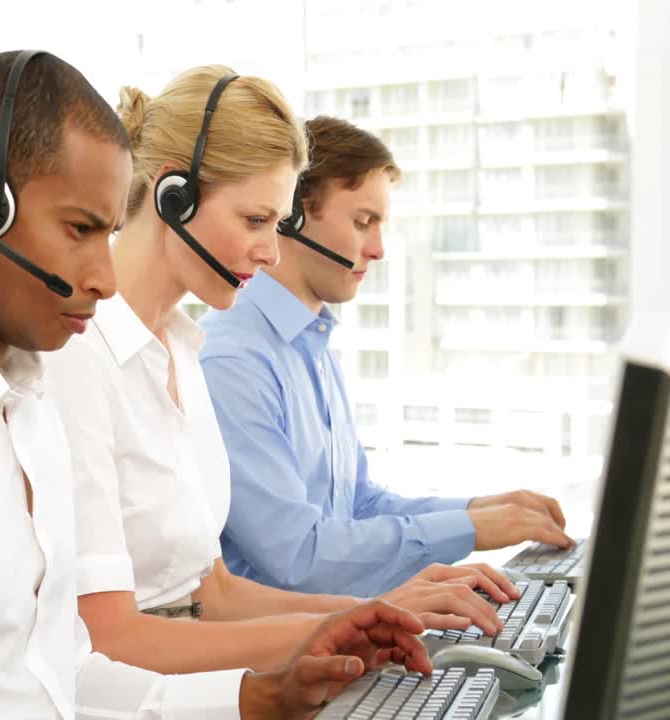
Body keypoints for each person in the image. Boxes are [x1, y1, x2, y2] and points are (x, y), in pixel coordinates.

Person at [0, 51, 430, 719]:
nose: (103, 279)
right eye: (79, 230)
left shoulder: (25, 400)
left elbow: (60, 676)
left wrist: (261, 701)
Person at [44, 67, 518, 677]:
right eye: (254, 220)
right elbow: (108, 638)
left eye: (278, 223)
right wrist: (330, 631)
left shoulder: (182, 354)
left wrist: (374, 613)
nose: (271, 252)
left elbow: (209, 593)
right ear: (173, 197)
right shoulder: (81, 357)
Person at [201, 115, 572, 598]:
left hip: (332, 639)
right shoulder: (234, 359)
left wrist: (479, 511)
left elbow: (358, 505)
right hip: (273, 659)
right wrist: (470, 531)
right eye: (362, 222)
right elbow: (299, 555)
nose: (377, 249)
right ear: (290, 214)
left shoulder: (311, 347)